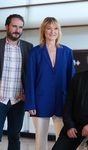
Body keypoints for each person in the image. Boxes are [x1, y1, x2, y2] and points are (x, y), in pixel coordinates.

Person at [0, 14, 33, 150]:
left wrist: (26, 95)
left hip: (18, 102)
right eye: (14, 26)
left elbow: (32, 75)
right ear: (7, 27)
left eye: (20, 27)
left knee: (15, 138)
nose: (17, 30)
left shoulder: (29, 48)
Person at [25, 17, 75, 150]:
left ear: (59, 31)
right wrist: (31, 103)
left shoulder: (67, 52)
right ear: (43, 31)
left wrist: (73, 104)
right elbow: (30, 79)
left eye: (56, 28)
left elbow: (72, 80)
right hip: (40, 102)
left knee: (63, 140)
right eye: (49, 28)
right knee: (40, 142)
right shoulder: (35, 52)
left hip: (62, 102)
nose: (52, 31)